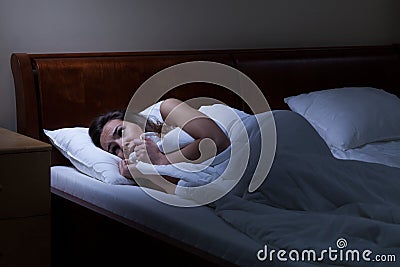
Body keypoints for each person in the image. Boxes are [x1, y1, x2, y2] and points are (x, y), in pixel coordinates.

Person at [89, 98, 231, 193]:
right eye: (114, 149)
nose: (122, 144)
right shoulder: (146, 166)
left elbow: (215, 141)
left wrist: (161, 160)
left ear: (133, 120)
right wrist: (142, 175)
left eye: (121, 132)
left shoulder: (166, 108)